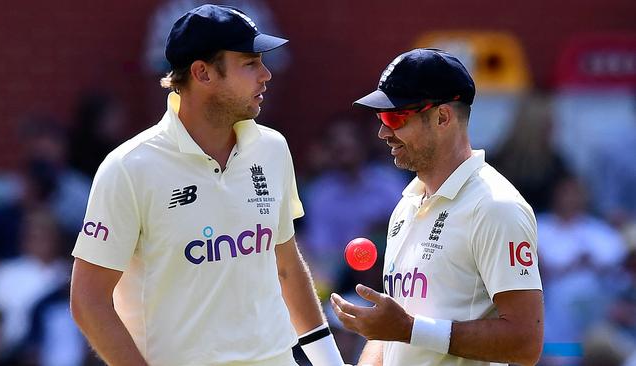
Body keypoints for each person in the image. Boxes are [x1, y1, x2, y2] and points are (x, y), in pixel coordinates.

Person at [69, 5, 344, 366]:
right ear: (203, 73)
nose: (266, 75)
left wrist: (330, 361)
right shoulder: (128, 167)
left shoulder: (273, 148)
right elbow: (89, 302)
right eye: (250, 63)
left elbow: (286, 264)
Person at [330, 48, 544, 366]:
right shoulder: (406, 205)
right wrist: (397, 332)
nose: (383, 132)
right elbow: (392, 335)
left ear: (442, 117)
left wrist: (409, 330)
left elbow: (525, 342)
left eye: (395, 117)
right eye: (380, 118)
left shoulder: (497, 207)